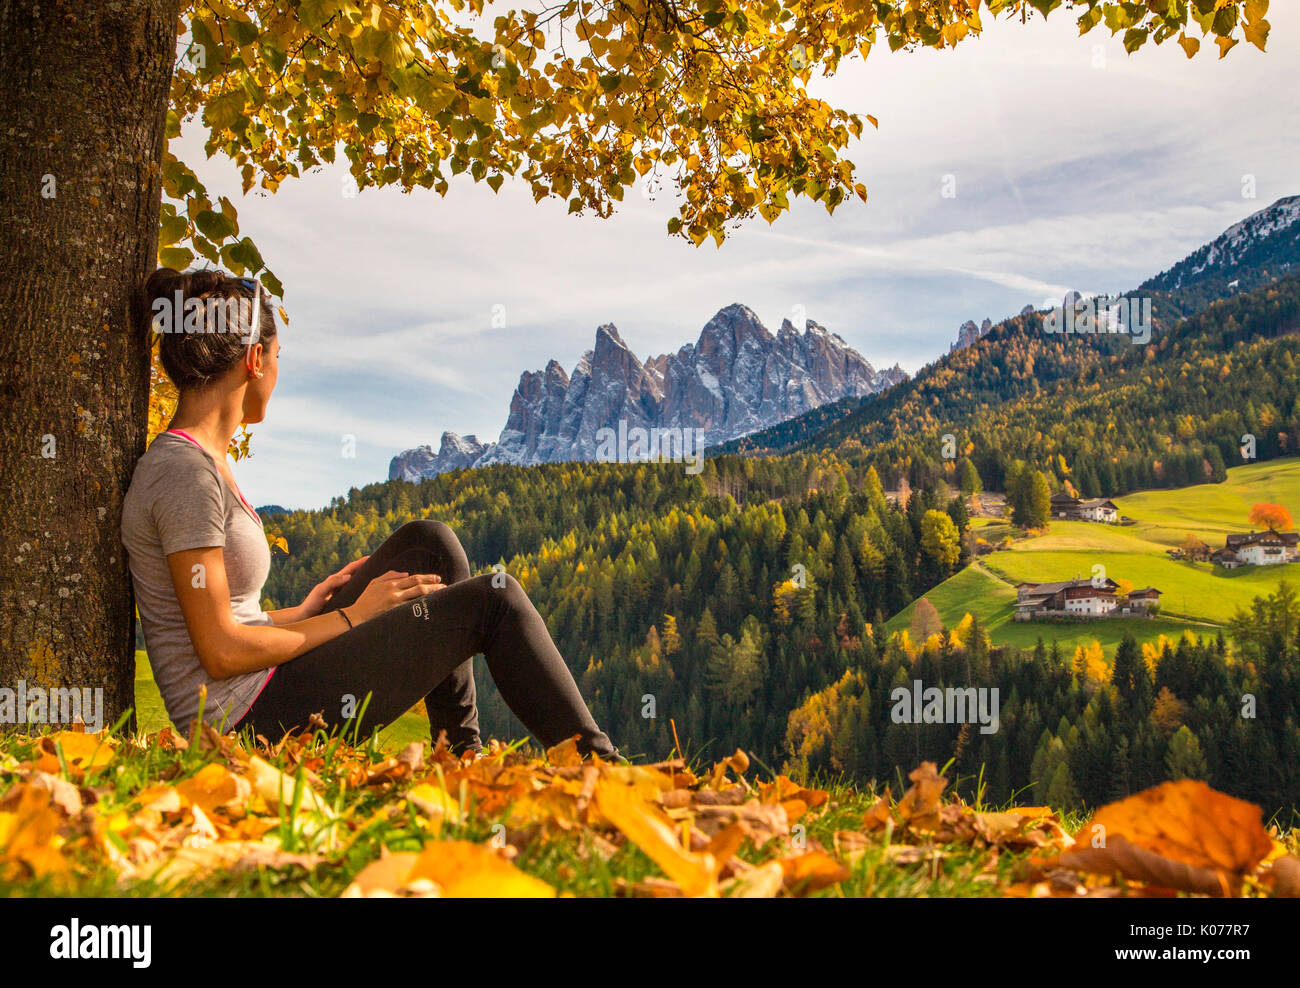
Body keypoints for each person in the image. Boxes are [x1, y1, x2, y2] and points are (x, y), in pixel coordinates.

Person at [121, 267, 619, 760]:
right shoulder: (184, 474)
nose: (276, 371)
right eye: (277, 357)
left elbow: (230, 619)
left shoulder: (202, 463)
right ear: (254, 360)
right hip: (245, 723)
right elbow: (221, 651)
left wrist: (303, 612)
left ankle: (458, 753)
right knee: (497, 598)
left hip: (262, 690)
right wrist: (350, 616)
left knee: (431, 545)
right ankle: (601, 765)